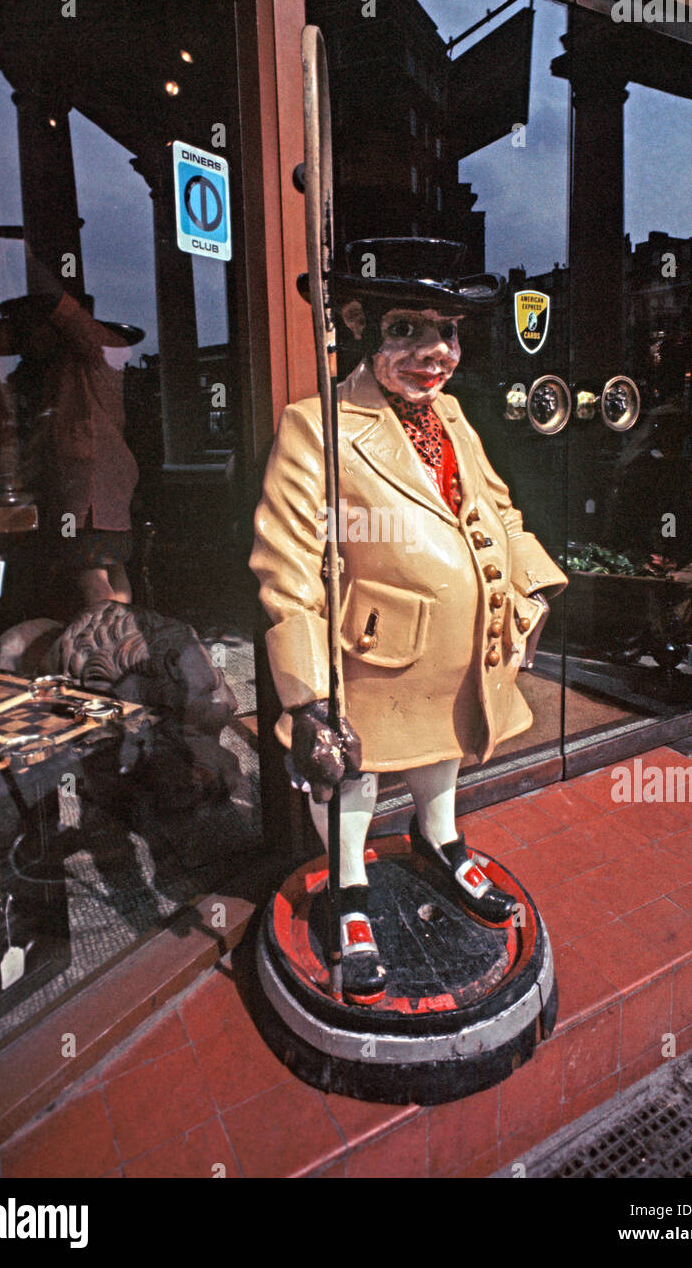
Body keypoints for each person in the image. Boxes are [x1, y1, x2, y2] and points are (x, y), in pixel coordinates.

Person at [251, 238, 567, 1004]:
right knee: (355, 775)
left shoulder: (454, 416)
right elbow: (287, 563)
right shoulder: (316, 426)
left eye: (448, 331)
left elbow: (497, 505)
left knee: (446, 747)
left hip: (462, 648)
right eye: (407, 331)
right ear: (360, 328)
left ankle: (440, 835)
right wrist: (306, 698)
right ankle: (351, 891)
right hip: (373, 654)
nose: (435, 354)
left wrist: (532, 588)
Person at [1, 250, 142, 615]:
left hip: (91, 491)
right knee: (110, 566)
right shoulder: (65, 371)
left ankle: (104, 641)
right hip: (99, 491)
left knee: (90, 572)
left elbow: (64, 311)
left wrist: (26, 258)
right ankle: (117, 636)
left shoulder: (101, 352)